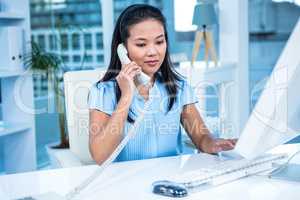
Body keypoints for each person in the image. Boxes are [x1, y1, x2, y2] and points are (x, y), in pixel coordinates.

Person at [88, 4, 236, 164]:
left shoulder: (179, 87)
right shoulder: (103, 92)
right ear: (123, 49)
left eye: (159, 42)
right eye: (141, 44)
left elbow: (201, 137)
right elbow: (100, 156)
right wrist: (126, 96)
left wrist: (213, 144)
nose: (153, 52)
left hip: (169, 180)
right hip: (125, 183)